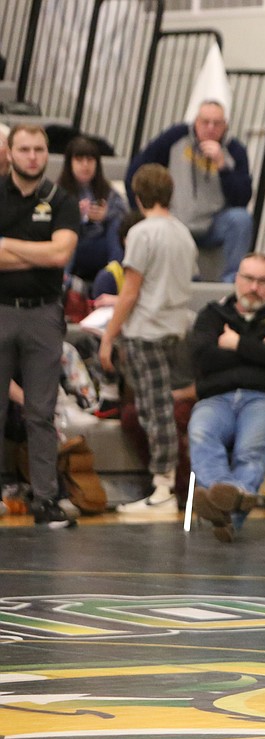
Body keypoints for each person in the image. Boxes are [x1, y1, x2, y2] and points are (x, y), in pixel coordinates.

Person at [98, 164, 197, 514]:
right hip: (174, 329)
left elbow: (130, 292)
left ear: (138, 196)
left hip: (146, 332)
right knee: (162, 411)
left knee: (156, 414)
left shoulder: (142, 232)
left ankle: (163, 489)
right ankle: (167, 485)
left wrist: (109, 336)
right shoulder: (183, 233)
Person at [187, 252, 265, 542]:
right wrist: (260, 352)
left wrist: (235, 343)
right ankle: (231, 499)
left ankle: (223, 509)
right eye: (249, 279)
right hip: (216, 399)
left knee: (250, 450)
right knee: (202, 435)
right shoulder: (212, 314)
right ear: (236, 280)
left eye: (263, 281)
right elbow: (202, 357)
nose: (254, 287)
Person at [0, 124, 81, 528]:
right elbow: (49, 251)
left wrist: (8, 246)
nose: (32, 156)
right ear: (10, 152)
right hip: (1, 308)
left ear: (48, 153)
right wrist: (41, 251)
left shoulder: (62, 199)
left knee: (40, 410)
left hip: (44, 313)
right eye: (24, 149)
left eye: (39, 149)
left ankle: (46, 499)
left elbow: (61, 254)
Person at [126, 100, 253, 282]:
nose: (210, 128)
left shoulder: (235, 150)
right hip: (175, 219)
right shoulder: (175, 137)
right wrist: (143, 211)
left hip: (213, 223)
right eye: (205, 122)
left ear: (225, 126)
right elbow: (137, 170)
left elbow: (242, 198)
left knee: (241, 219)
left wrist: (223, 167)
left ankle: (231, 281)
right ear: (195, 122)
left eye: (217, 123)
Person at [57, 134, 128, 285]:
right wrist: (77, 215)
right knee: (68, 224)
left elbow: (125, 218)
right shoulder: (59, 191)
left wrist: (106, 215)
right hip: (74, 246)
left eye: (90, 160)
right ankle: (63, 277)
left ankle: (115, 271)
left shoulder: (107, 190)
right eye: (79, 160)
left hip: (101, 245)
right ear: (70, 163)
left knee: (115, 222)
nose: (85, 165)